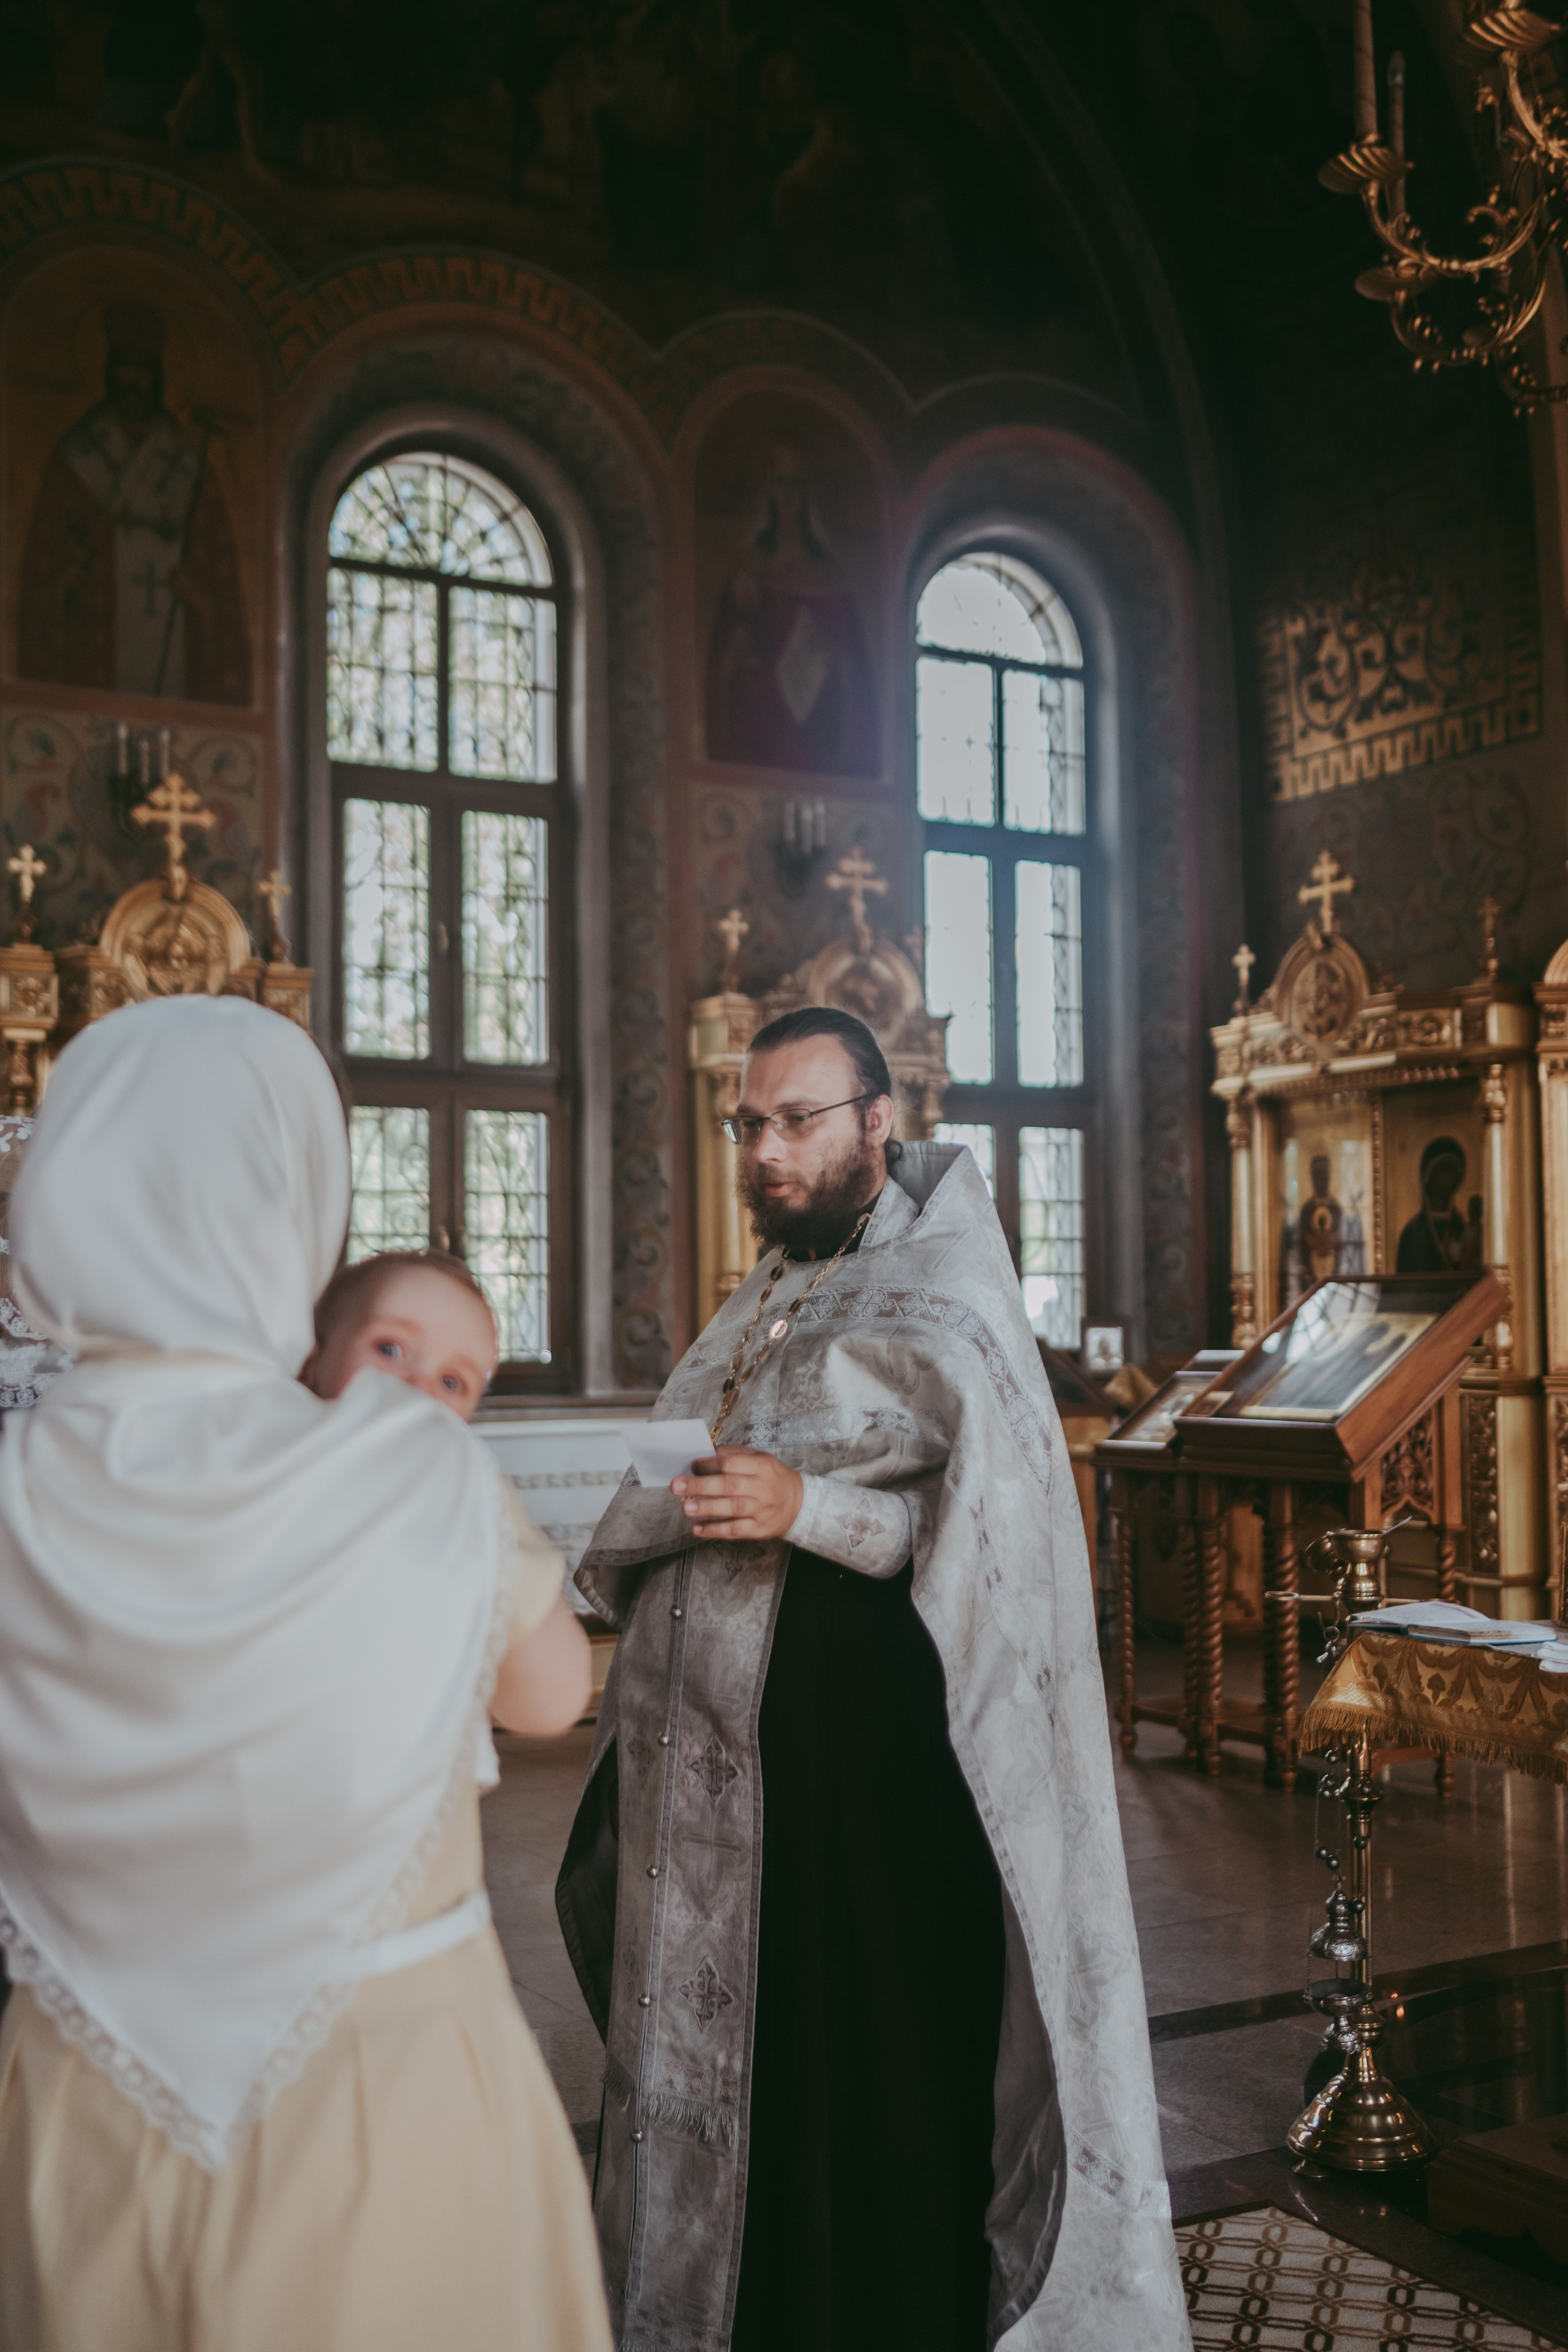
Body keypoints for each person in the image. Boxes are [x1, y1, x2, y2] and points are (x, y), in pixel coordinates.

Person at [557, 1005, 1188, 2352]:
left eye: (796, 1121)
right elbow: (691, 1470)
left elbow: (986, 1558)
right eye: (748, 1125)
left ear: (876, 1121)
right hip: (724, 1785)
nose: (765, 1151)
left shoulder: (953, 1293)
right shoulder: (763, 1295)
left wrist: (802, 1508)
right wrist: (658, 1514)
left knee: (849, 2072)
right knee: (753, 2077)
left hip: (866, 1789)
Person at [0, 995, 611, 2352]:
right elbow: (549, 1699)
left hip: (80, 2109)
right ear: (300, 1208)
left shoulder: (15, 1483)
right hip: (381, 2096)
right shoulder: (411, 1465)